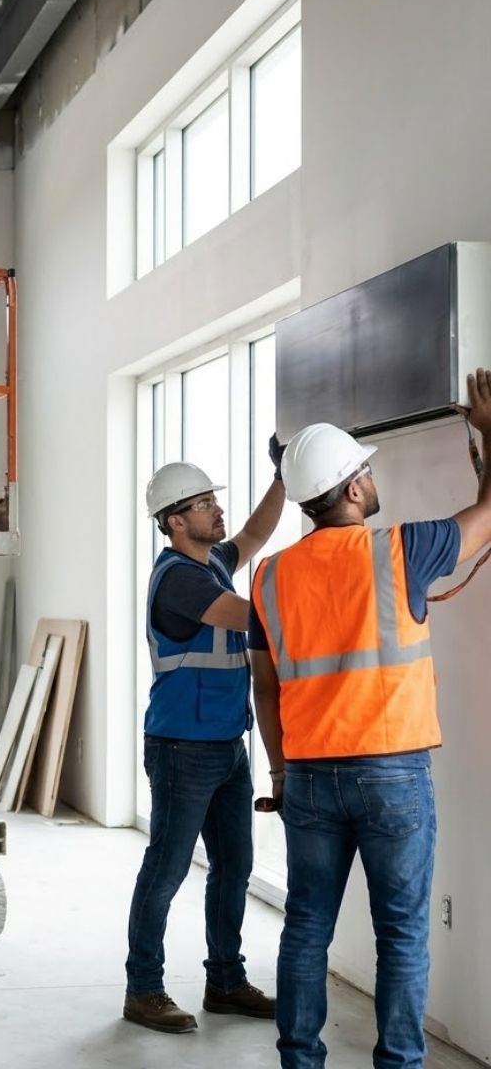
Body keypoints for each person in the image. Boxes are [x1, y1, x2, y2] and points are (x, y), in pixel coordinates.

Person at [249, 370, 491, 1069]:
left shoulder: (268, 578)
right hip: (393, 775)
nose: (371, 480)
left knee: (305, 929)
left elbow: (265, 689)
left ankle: (301, 1061)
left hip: (311, 777)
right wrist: (488, 431)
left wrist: (281, 769)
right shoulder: (401, 552)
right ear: (353, 488)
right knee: (403, 935)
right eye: (366, 471)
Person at [123, 445, 286, 1033]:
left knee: (235, 865)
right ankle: (143, 990)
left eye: (214, 500)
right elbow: (254, 618)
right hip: (180, 748)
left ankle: (225, 981)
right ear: (174, 520)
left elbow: (255, 531)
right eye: (203, 504)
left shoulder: (213, 561)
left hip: (226, 745)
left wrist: (282, 476)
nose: (217, 511)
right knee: (165, 870)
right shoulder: (179, 582)